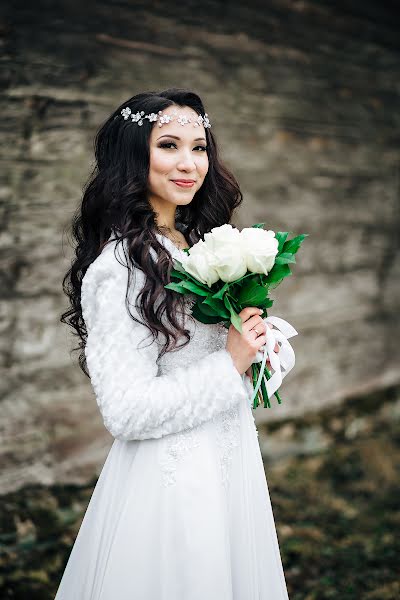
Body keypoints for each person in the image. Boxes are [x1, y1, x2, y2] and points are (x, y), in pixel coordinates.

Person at [56, 88, 290, 599]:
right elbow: (127, 411)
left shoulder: (193, 247)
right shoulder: (121, 267)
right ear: (133, 155)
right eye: (168, 146)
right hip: (173, 481)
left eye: (199, 147)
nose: (189, 163)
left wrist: (255, 348)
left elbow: (218, 357)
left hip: (230, 462)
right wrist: (228, 365)